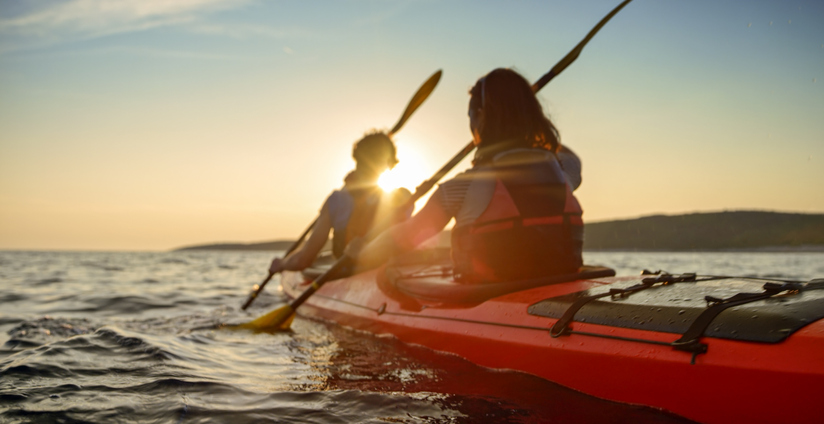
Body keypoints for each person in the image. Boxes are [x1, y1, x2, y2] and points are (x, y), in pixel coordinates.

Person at [352, 68, 584, 283]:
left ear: (480, 117)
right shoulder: (560, 173)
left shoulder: (462, 188)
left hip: (492, 292)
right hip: (557, 280)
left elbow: (403, 237)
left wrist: (362, 251)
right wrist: (527, 122)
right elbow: (571, 159)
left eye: (470, 116)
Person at [268, 131, 411, 275]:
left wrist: (282, 263)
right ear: (390, 164)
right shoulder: (405, 198)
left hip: (350, 273)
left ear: (357, 159)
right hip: (392, 274)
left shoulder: (336, 201)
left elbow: (303, 260)